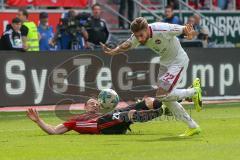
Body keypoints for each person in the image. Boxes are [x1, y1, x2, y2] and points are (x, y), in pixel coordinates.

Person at [100, 17, 203, 137]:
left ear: (147, 28)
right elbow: (127, 45)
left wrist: (188, 33)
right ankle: (193, 127)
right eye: (136, 36)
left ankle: (194, 92)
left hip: (178, 61)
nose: (139, 39)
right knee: (165, 99)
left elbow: (183, 29)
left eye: (141, 35)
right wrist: (113, 51)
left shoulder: (162, 29)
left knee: (162, 94)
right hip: (165, 63)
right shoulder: (138, 37)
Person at [26, 97, 163, 135]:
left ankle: (164, 103)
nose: (95, 105)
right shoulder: (75, 120)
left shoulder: (103, 113)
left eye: (97, 104)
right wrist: (38, 121)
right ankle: (163, 111)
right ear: (85, 106)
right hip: (100, 126)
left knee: (145, 102)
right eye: (92, 103)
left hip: (110, 119)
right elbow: (54, 131)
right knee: (129, 114)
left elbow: (113, 114)